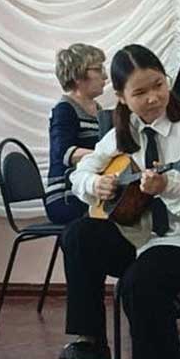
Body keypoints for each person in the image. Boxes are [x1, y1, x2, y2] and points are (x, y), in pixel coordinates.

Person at [57, 44, 180, 359]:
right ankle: (91, 340)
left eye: (158, 86)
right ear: (120, 97)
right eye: (139, 93)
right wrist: (95, 184)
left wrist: (168, 187)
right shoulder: (123, 130)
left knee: (138, 284)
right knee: (79, 235)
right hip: (138, 237)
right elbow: (79, 174)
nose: (152, 98)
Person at [45, 43, 107, 224]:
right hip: (66, 195)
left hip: (89, 188)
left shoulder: (99, 109)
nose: (105, 76)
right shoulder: (64, 109)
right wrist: (106, 156)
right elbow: (64, 152)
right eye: (98, 69)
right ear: (78, 75)